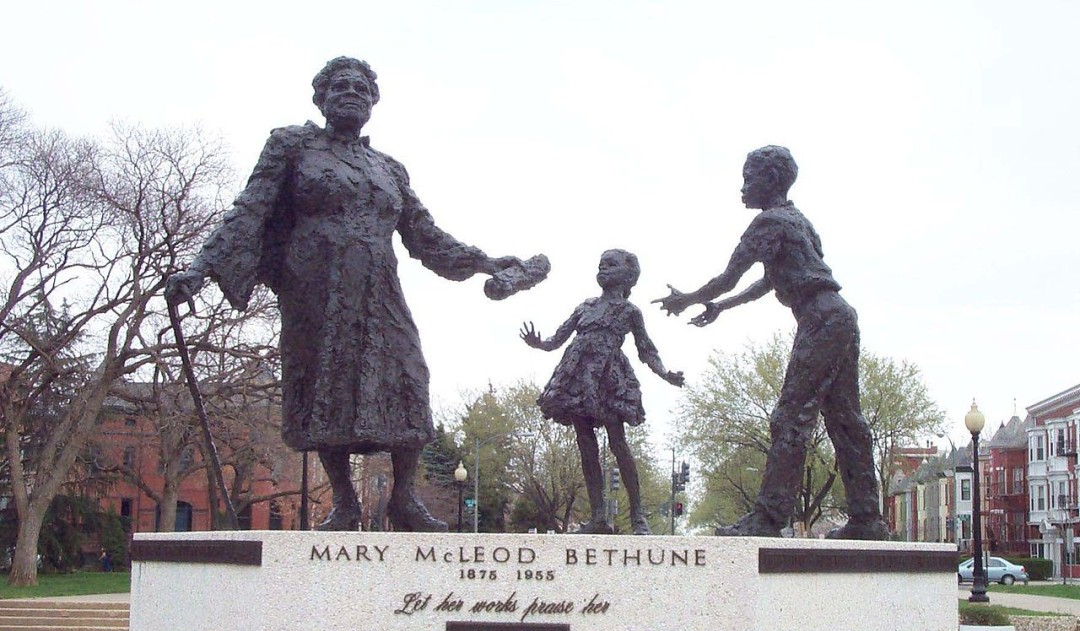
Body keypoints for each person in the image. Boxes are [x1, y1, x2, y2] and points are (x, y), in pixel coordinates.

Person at [166, 57, 545, 532]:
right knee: (328, 385)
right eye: (340, 87)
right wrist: (200, 269)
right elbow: (249, 209)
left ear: (374, 102)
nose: (352, 94)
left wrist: (488, 262)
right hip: (316, 285)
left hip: (378, 285)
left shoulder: (388, 168)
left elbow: (426, 237)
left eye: (362, 88)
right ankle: (344, 502)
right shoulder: (292, 145)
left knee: (410, 376)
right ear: (320, 99)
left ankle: (403, 498)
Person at [655, 145, 888, 540]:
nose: (743, 187)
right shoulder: (798, 221)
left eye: (750, 178)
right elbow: (769, 280)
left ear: (773, 180)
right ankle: (867, 518)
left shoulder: (769, 223)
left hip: (822, 318)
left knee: (791, 415)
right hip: (839, 315)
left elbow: (730, 276)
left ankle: (769, 516)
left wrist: (688, 298)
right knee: (846, 419)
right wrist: (722, 308)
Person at [521, 249, 683, 534]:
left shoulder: (630, 311)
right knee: (586, 445)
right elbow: (557, 339)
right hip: (577, 376)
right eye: (600, 265)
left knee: (619, 443)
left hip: (609, 378)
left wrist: (665, 373)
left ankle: (637, 517)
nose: (603, 268)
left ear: (628, 275)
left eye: (611, 265)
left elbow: (646, 349)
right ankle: (598, 517)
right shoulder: (585, 307)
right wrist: (539, 343)